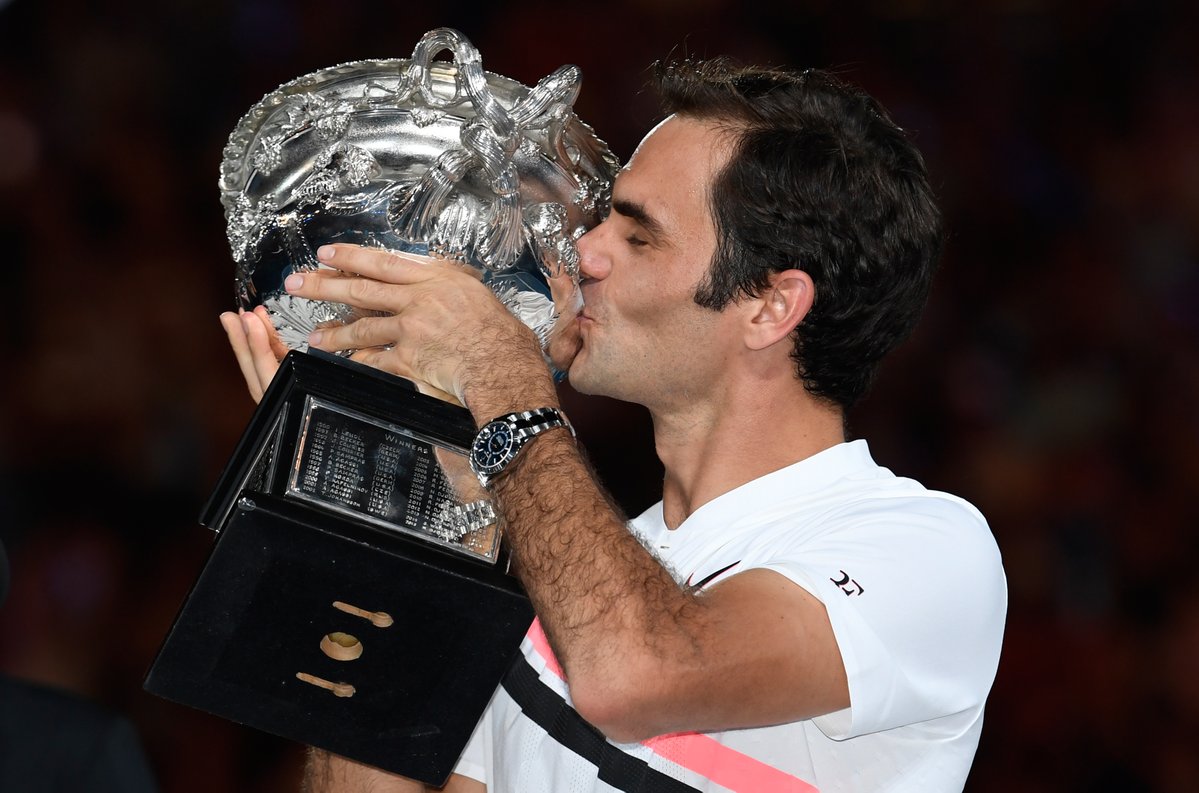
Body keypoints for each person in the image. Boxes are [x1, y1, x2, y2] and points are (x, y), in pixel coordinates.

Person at [224, 58, 1006, 793]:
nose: (583, 252)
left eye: (637, 235)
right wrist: (369, 500)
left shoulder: (925, 549)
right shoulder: (560, 565)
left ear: (771, 305)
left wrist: (501, 373)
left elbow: (632, 673)